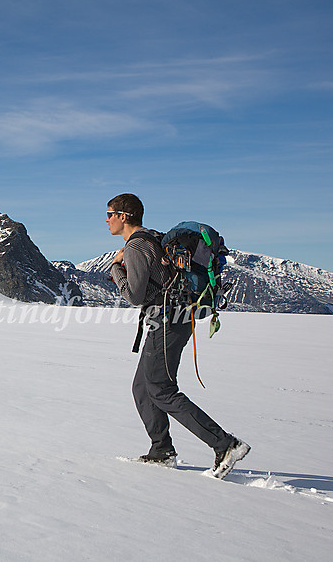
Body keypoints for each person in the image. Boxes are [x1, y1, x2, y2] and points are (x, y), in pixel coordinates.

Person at [106, 193, 249, 478]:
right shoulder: (151, 239)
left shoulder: (136, 246)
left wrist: (115, 268)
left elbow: (134, 295)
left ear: (124, 216)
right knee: (143, 388)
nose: (106, 220)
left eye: (110, 213)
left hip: (167, 321)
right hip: (173, 319)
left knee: (161, 389)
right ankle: (161, 450)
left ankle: (225, 444)